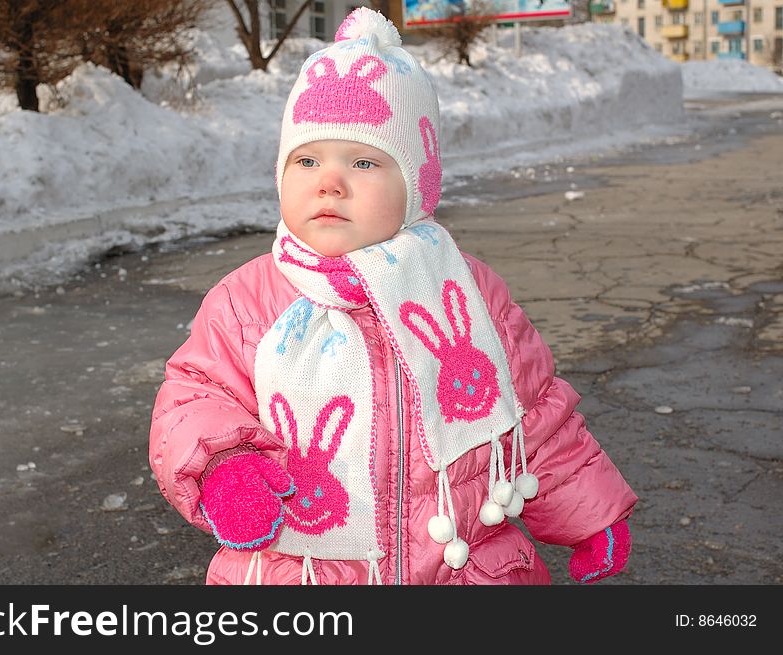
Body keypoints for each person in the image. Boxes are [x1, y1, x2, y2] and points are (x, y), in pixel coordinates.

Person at [149, 8, 637, 585]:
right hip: (302, 572)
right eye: (307, 160)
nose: (329, 181)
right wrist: (227, 470)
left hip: (465, 568)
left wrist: (591, 512)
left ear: (416, 186)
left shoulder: (464, 289)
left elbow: (533, 415)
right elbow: (193, 400)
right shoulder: (248, 301)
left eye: (363, 162)